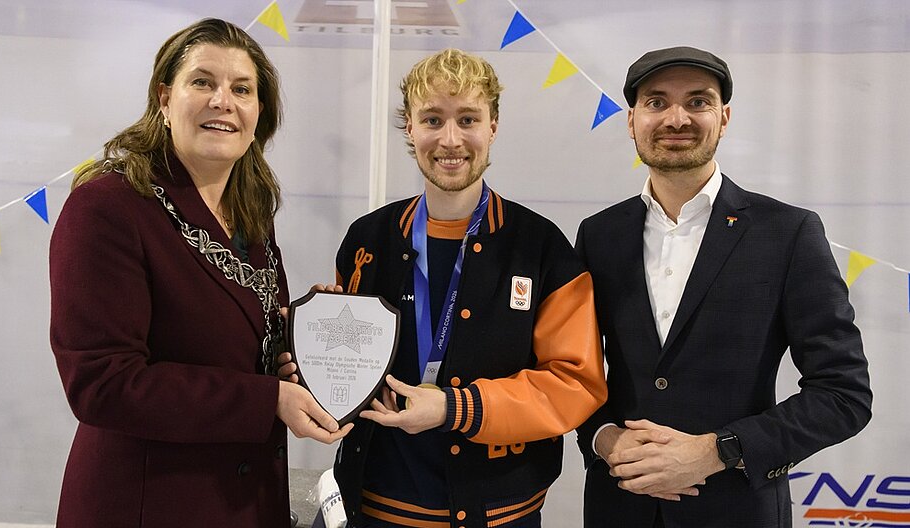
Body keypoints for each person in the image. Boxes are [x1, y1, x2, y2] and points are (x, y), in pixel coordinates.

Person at [49, 18, 351, 528]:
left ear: (260, 114)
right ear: (165, 99)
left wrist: (305, 335)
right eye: (202, 82)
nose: (222, 101)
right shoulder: (107, 206)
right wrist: (267, 399)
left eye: (241, 89)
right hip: (150, 507)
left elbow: (234, 339)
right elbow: (103, 384)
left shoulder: (249, 210)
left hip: (248, 502)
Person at [575, 46, 873, 527]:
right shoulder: (599, 234)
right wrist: (603, 436)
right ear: (631, 120)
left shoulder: (787, 232)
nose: (677, 118)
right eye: (656, 102)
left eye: (698, 101)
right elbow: (572, 373)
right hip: (620, 507)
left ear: (724, 117)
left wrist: (719, 450)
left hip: (737, 510)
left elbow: (844, 394)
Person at [328, 48, 608, 527]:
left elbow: (575, 382)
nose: (450, 139)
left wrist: (456, 408)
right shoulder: (367, 239)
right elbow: (349, 372)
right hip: (379, 506)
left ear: (493, 126)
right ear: (409, 128)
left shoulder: (541, 247)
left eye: (469, 119)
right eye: (432, 119)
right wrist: (313, 345)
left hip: (500, 512)